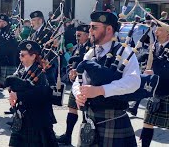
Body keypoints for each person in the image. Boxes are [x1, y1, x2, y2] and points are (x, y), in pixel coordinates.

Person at [73, 11, 140, 146]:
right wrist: (78, 93)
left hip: (114, 118)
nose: (90, 30)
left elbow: (134, 81)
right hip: (90, 118)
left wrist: (101, 90)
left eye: (94, 27)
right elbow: (79, 81)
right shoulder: (90, 53)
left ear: (109, 29)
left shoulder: (125, 52)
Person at [6, 40, 58, 147]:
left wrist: (18, 95)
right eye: (19, 54)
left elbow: (42, 94)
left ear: (33, 56)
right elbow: (14, 84)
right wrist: (12, 93)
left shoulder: (41, 72)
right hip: (22, 116)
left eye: (23, 55)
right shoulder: (21, 69)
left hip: (37, 119)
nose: (20, 57)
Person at [56, 24, 91, 145]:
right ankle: (68, 135)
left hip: (86, 84)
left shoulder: (91, 48)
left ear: (87, 35)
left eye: (79, 35)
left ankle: (87, 138)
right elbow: (71, 62)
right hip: (76, 84)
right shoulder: (77, 47)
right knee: (72, 108)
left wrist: (78, 72)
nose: (77, 37)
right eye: (76, 35)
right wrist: (70, 72)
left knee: (86, 113)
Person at [140, 20, 169, 147]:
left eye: (160, 30)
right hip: (156, 90)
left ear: (168, 33)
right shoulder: (155, 45)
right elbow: (149, 62)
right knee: (147, 122)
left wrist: (154, 71)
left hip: (168, 89)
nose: (156, 31)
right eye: (156, 29)